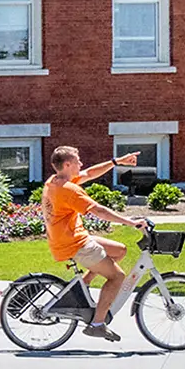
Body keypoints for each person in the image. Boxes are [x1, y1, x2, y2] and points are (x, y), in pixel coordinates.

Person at [44, 145, 140, 341]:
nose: (81, 163)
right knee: (117, 277)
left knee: (119, 251)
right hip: (75, 244)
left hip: (72, 237)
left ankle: (83, 285)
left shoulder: (55, 181)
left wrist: (117, 161)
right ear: (68, 164)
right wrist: (131, 222)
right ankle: (97, 323)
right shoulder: (69, 190)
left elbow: (90, 173)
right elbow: (99, 211)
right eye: (77, 161)